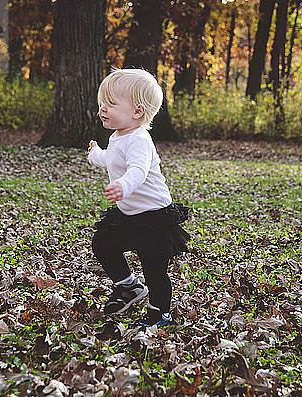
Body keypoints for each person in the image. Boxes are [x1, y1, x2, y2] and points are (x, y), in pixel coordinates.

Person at [87, 68, 190, 328]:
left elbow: (137, 171)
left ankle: (159, 312)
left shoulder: (140, 141)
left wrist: (123, 185)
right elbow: (112, 158)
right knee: (103, 243)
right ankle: (129, 287)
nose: (103, 109)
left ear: (137, 112)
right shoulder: (118, 136)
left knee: (154, 268)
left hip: (153, 217)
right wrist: (96, 154)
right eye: (102, 103)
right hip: (129, 214)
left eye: (110, 103)